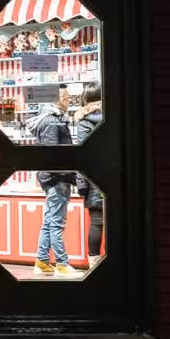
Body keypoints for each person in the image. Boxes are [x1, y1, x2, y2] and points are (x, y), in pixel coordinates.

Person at [27, 85, 82, 278]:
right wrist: (71, 174)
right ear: (57, 100)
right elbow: (53, 156)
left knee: (49, 222)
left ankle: (42, 262)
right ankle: (62, 264)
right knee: (57, 224)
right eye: (66, 98)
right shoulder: (52, 122)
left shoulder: (48, 119)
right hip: (57, 179)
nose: (68, 102)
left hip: (52, 177)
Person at [75, 82, 104, 269]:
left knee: (96, 223)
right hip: (113, 176)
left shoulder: (84, 122)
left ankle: (94, 265)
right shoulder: (111, 117)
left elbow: (82, 157)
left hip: (94, 181)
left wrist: (82, 186)